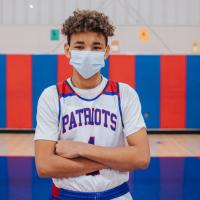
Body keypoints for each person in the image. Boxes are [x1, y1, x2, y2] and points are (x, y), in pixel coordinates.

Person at [34, 9, 150, 200]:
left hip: (117, 195)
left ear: (106, 52)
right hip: (67, 195)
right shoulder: (51, 96)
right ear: (67, 50)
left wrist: (81, 149)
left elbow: (141, 157)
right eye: (79, 46)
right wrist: (114, 160)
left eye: (96, 47)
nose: (88, 53)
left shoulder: (125, 94)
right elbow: (45, 165)